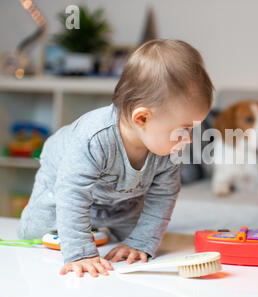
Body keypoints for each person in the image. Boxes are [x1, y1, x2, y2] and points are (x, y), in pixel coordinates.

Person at [17, 39, 214, 277]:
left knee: (134, 242)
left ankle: (99, 227)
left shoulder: (169, 149)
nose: (189, 139)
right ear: (142, 118)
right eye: (184, 129)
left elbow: (164, 195)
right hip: (64, 183)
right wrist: (81, 254)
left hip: (120, 199)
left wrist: (140, 242)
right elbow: (73, 192)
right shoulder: (94, 138)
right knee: (37, 232)